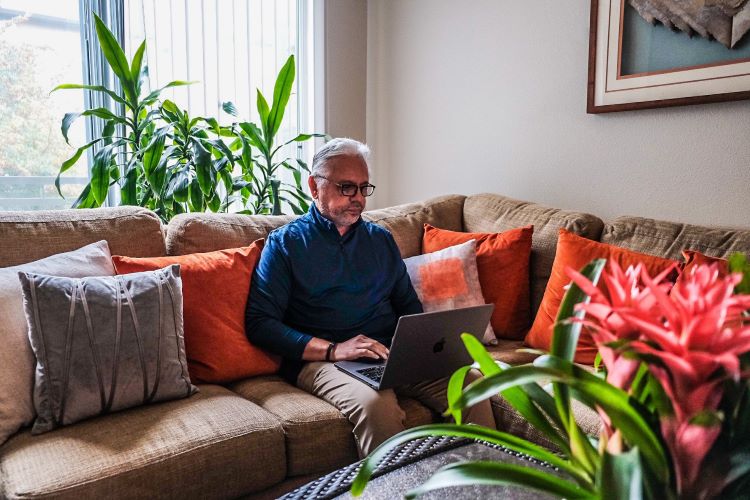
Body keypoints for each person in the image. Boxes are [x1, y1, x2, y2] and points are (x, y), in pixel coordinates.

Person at [245, 138, 495, 457]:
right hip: (325, 359)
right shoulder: (285, 245)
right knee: (377, 405)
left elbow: (408, 306)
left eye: (364, 188)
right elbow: (260, 323)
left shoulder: (380, 240)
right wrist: (334, 349)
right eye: (347, 187)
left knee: (472, 384)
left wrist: (423, 347)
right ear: (313, 186)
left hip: (390, 353)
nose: (359, 199)